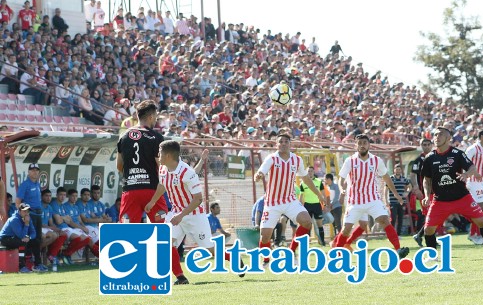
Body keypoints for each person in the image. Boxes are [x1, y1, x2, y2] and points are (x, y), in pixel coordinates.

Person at [145, 141, 244, 285]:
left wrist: (181, 216)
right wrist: (153, 201)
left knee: (209, 248)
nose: (157, 155)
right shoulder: (163, 169)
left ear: (167, 155)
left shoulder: (187, 172)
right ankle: (181, 277)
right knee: (164, 243)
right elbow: (162, 185)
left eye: (159, 152)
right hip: (176, 214)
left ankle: (234, 258)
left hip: (195, 216)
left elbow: (198, 199)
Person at [421, 127, 483, 259]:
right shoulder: (429, 158)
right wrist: (426, 196)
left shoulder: (457, 154)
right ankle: (432, 254)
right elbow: (427, 180)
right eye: (435, 135)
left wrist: (466, 174)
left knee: (482, 221)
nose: (437, 137)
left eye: (441, 135)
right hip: (440, 200)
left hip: (462, 198)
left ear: (448, 138)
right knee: (428, 230)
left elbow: (472, 167)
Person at [254, 131, 326, 266]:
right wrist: (258, 176)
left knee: (307, 222)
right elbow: (261, 171)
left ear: (290, 144)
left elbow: (305, 178)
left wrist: (319, 195)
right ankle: (266, 260)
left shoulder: (296, 159)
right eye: (280, 142)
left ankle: (291, 253)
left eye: (286, 142)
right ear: (276, 144)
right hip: (272, 202)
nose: (283, 144)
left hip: (289, 200)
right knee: (265, 236)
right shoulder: (272, 158)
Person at [332, 134, 409, 258]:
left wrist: (396, 194)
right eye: (360, 143)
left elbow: (386, 177)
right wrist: (342, 190)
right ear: (356, 145)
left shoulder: (376, 160)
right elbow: (341, 179)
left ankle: (398, 250)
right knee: (346, 228)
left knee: (384, 220)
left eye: (364, 143)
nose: (362, 145)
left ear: (369, 145)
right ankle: (336, 254)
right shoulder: (350, 161)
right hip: (355, 201)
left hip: (373, 199)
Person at [116, 100, 168, 223]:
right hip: (151, 189)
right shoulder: (156, 137)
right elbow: (162, 167)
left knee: (128, 234)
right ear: (150, 117)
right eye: (155, 117)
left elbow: (119, 166)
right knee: (163, 232)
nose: (156, 120)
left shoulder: (123, 136)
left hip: (130, 189)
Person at [465, 128, 483, 245]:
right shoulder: (473, 148)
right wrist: (473, 173)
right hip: (473, 180)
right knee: (479, 206)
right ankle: (473, 233)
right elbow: (464, 162)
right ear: (482, 136)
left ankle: (480, 232)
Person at [0, 203, 47, 272]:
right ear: (19, 211)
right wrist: (26, 224)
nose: (26, 213)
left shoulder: (28, 218)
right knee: (22, 242)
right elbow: (21, 235)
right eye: (24, 211)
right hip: (5, 239)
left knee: (36, 241)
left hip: (18, 238)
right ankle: (21, 266)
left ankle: (38, 265)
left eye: (28, 211)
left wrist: (29, 237)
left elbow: (33, 233)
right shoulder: (14, 219)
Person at [50, 187, 91, 265]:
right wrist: (64, 218)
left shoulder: (62, 205)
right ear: (56, 195)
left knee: (87, 239)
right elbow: (58, 221)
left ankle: (66, 253)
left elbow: (69, 220)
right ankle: (62, 254)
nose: (62, 197)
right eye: (60, 195)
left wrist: (63, 218)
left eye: (64, 195)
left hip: (67, 227)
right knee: (78, 238)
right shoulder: (54, 204)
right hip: (61, 228)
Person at [411, 138, 433, 247]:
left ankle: (422, 236)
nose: (426, 146)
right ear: (421, 146)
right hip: (424, 193)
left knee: (432, 216)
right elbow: (413, 175)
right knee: (429, 215)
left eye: (428, 144)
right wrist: (416, 188)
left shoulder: (435, 157)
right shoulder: (418, 160)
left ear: (432, 145)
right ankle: (421, 235)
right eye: (424, 144)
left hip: (436, 192)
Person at [299, 166, 330, 246]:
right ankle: (307, 243)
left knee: (319, 224)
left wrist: (325, 205)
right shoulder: (303, 183)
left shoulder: (319, 182)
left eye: (311, 171)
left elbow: (323, 194)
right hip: (307, 205)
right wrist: (299, 206)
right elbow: (301, 196)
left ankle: (322, 242)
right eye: (308, 171)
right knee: (307, 224)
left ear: (314, 172)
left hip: (317, 205)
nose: (310, 172)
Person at [40, 189, 67, 267]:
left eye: (50, 196)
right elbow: (39, 224)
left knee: (62, 234)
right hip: (39, 227)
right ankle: (36, 252)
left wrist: (57, 229)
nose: (48, 198)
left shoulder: (49, 207)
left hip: (46, 228)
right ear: (41, 197)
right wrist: (54, 229)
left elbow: (51, 222)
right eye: (46, 196)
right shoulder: (39, 206)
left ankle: (51, 255)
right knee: (53, 235)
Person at [386, 164, 412, 236]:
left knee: (400, 219)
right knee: (393, 218)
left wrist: (407, 192)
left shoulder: (404, 179)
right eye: (396, 169)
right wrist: (386, 201)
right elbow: (386, 190)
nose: (398, 171)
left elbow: (410, 186)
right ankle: (391, 234)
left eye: (399, 169)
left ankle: (398, 235)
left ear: (401, 170)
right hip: (393, 202)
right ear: (394, 170)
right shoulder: (390, 179)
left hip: (402, 202)